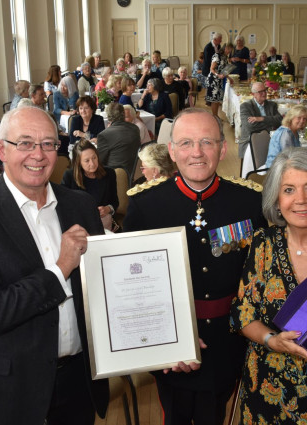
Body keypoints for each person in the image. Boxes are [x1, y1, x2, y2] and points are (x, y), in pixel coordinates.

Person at [0, 106, 110, 425]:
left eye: (48, 143)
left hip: (78, 383)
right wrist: (60, 268)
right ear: (0, 150)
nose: (38, 154)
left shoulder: (80, 205)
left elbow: (103, 290)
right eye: (24, 143)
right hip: (12, 388)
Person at [123, 108, 268, 425]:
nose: (197, 153)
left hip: (229, 341)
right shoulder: (145, 205)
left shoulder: (248, 201)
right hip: (169, 350)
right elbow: (131, 288)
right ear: (172, 151)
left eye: (207, 142)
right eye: (186, 143)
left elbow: (260, 277)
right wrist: (167, 340)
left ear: (223, 148)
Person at [230, 147, 307, 425]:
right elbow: (242, 313)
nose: (301, 199)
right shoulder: (263, 243)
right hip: (267, 389)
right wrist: (271, 340)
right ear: (275, 197)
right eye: (289, 190)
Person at [61, 139, 119, 231]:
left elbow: (115, 202)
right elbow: (64, 206)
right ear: (78, 162)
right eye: (87, 161)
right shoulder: (69, 176)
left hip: (102, 222)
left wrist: (108, 209)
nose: (92, 163)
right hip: (78, 222)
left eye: (94, 158)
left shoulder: (109, 173)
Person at [239, 81, 283, 158]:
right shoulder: (245, 106)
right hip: (250, 141)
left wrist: (262, 119)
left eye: (265, 90)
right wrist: (270, 123)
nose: (264, 93)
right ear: (253, 94)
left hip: (270, 140)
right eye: (260, 92)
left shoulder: (272, 105)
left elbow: (280, 120)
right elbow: (250, 127)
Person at [96, 102, 140, 171]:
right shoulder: (135, 128)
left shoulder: (104, 135)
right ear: (123, 114)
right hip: (135, 172)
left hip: (116, 175)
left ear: (108, 116)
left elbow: (99, 160)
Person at [205, 42, 233, 118]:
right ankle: (214, 117)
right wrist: (218, 75)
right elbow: (212, 69)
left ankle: (216, 115)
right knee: (214, 100)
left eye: (231, 50)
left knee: (217, 99)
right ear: (225, 48)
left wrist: (229, 78)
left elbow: (224, 70)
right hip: (213, 80)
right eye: (229, 50)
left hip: (219, 80)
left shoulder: (225, 57)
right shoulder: (217, 56)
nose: (229, 52)